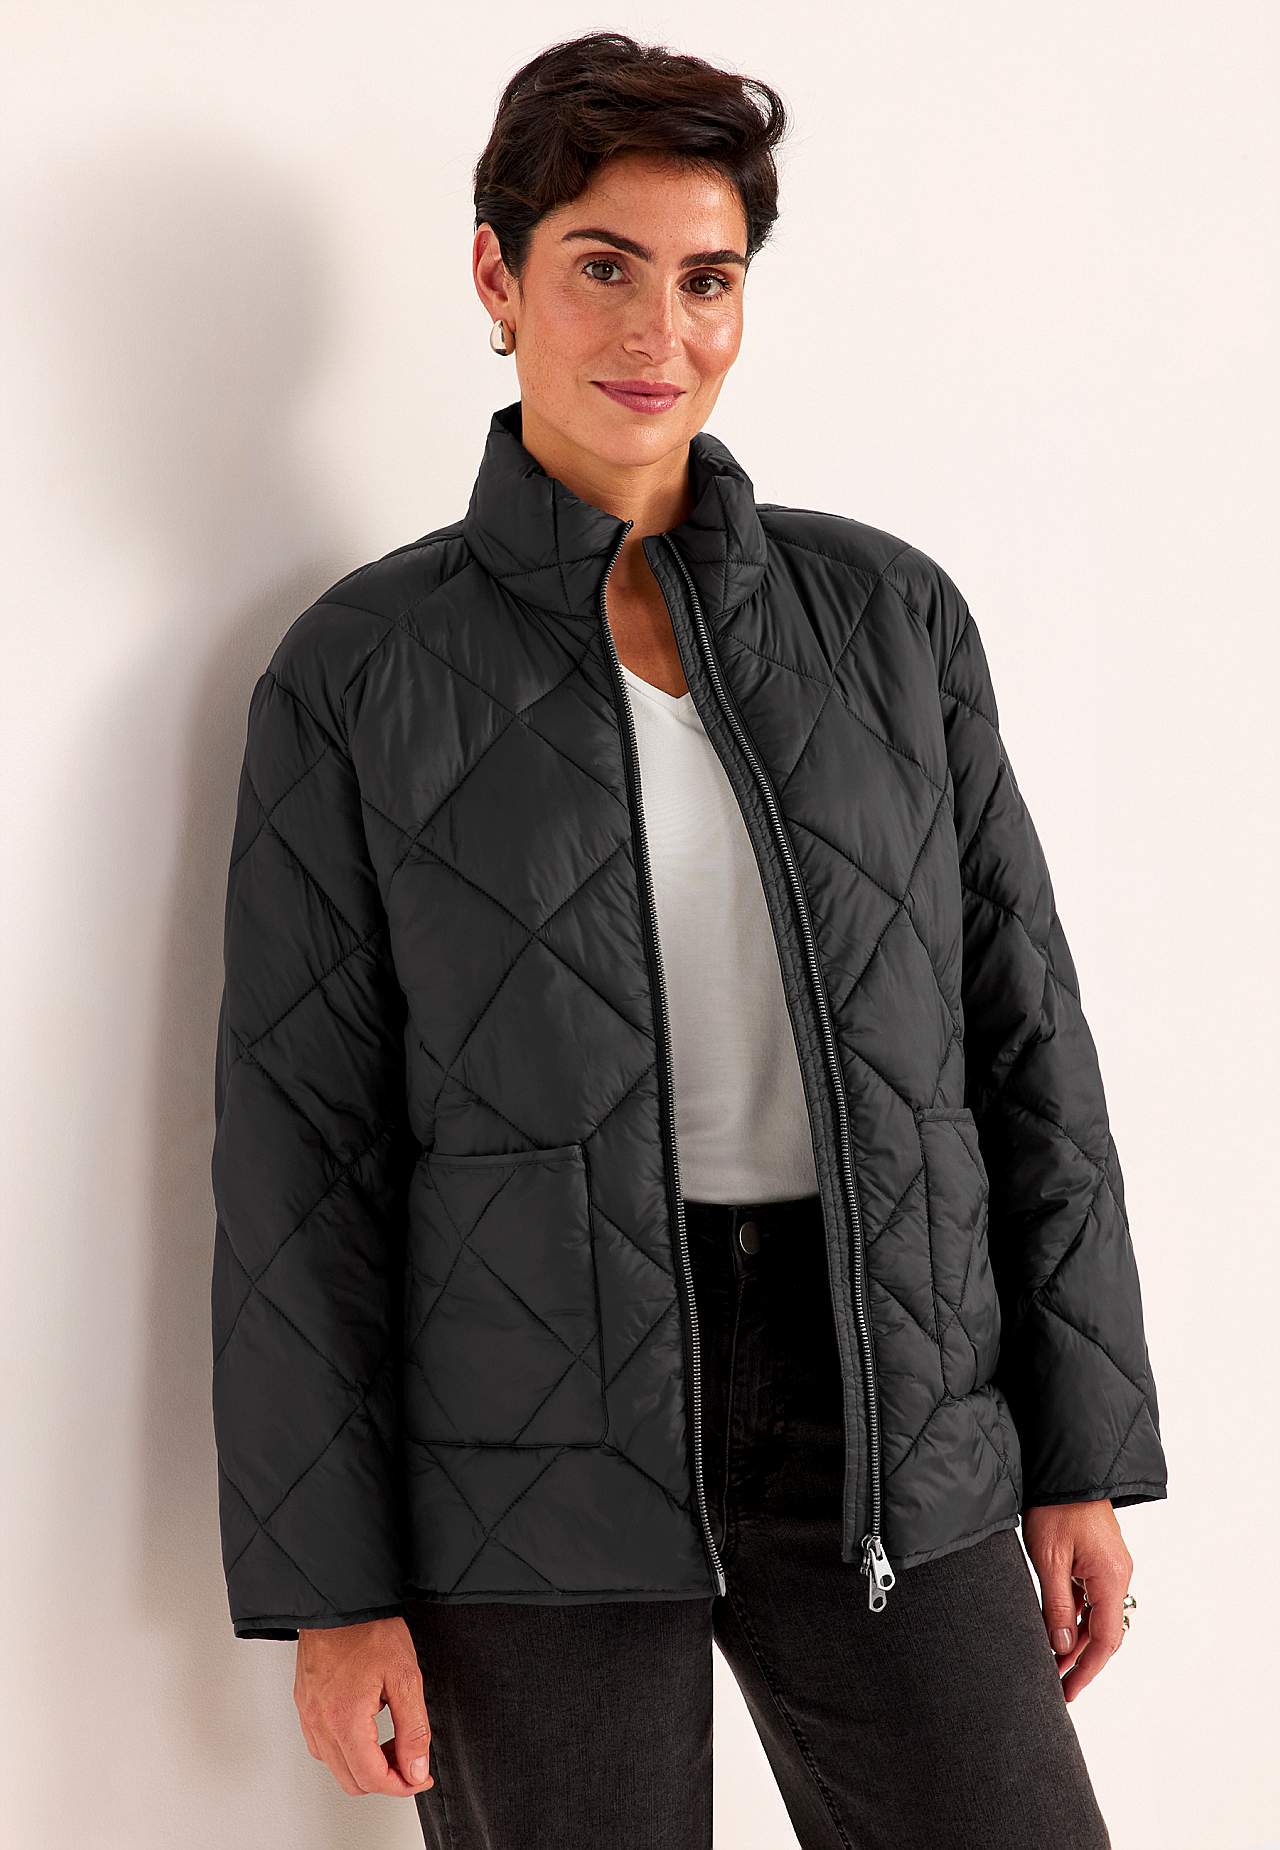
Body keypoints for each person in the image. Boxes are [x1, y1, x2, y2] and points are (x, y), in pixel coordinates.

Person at [209, 29, 1167, 1849]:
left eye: (708, 277)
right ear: (497, 277)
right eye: (605, 266)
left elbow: (1025, 1041)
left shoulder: (887, 619)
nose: (660, 330)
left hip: (881, 1387)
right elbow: (298, 1159)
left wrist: (1078, 1454)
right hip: (526, 1422)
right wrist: (331, 1593)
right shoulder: (361, 672)